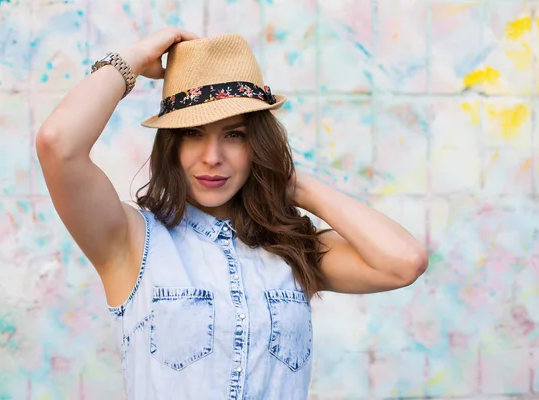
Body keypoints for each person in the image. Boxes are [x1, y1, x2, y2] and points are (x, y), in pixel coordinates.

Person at [36, 27, 429, 400]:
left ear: (256, 145)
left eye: (234, 135)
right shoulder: (131, 242)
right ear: (171, 146)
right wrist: (133, 60)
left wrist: (291, 183)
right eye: (192, 133)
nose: (212, 158)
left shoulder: (293, 250)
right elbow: (58, 143)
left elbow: (404, 262)